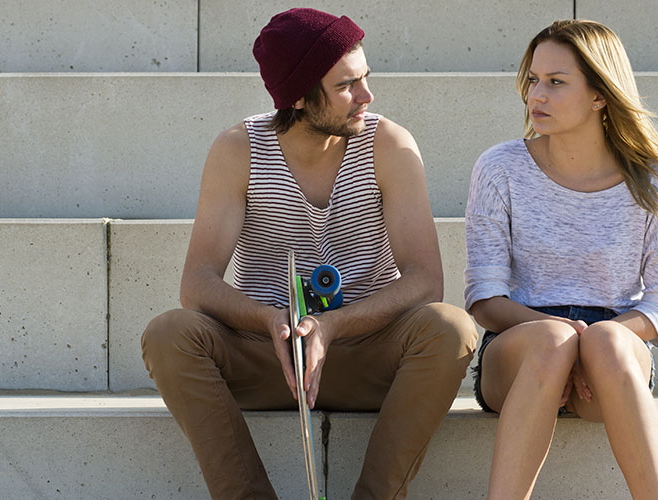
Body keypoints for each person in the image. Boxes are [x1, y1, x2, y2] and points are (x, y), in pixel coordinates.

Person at [141, 8, 477, 499]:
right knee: (169, 333)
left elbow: (425, 280)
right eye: (346, 86)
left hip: (367, 352)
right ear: (298, 96)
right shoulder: (240, 148)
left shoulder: (390, 143)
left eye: (366, 78)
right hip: (269, 355)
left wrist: (333, 326)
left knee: (450, 328)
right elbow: (198, 282)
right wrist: (273, 322)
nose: (367, 96)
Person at [465, 19, 658, 500]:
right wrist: (564, 336)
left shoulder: (656, 181)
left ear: (599, 95)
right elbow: (484, 298)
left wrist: (589, 342)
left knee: (607, 342)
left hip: (611, 356)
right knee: (552, 339)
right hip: (519, 345)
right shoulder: (500, 167)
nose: (536, 96)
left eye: (555, 82)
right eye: (532, 80)